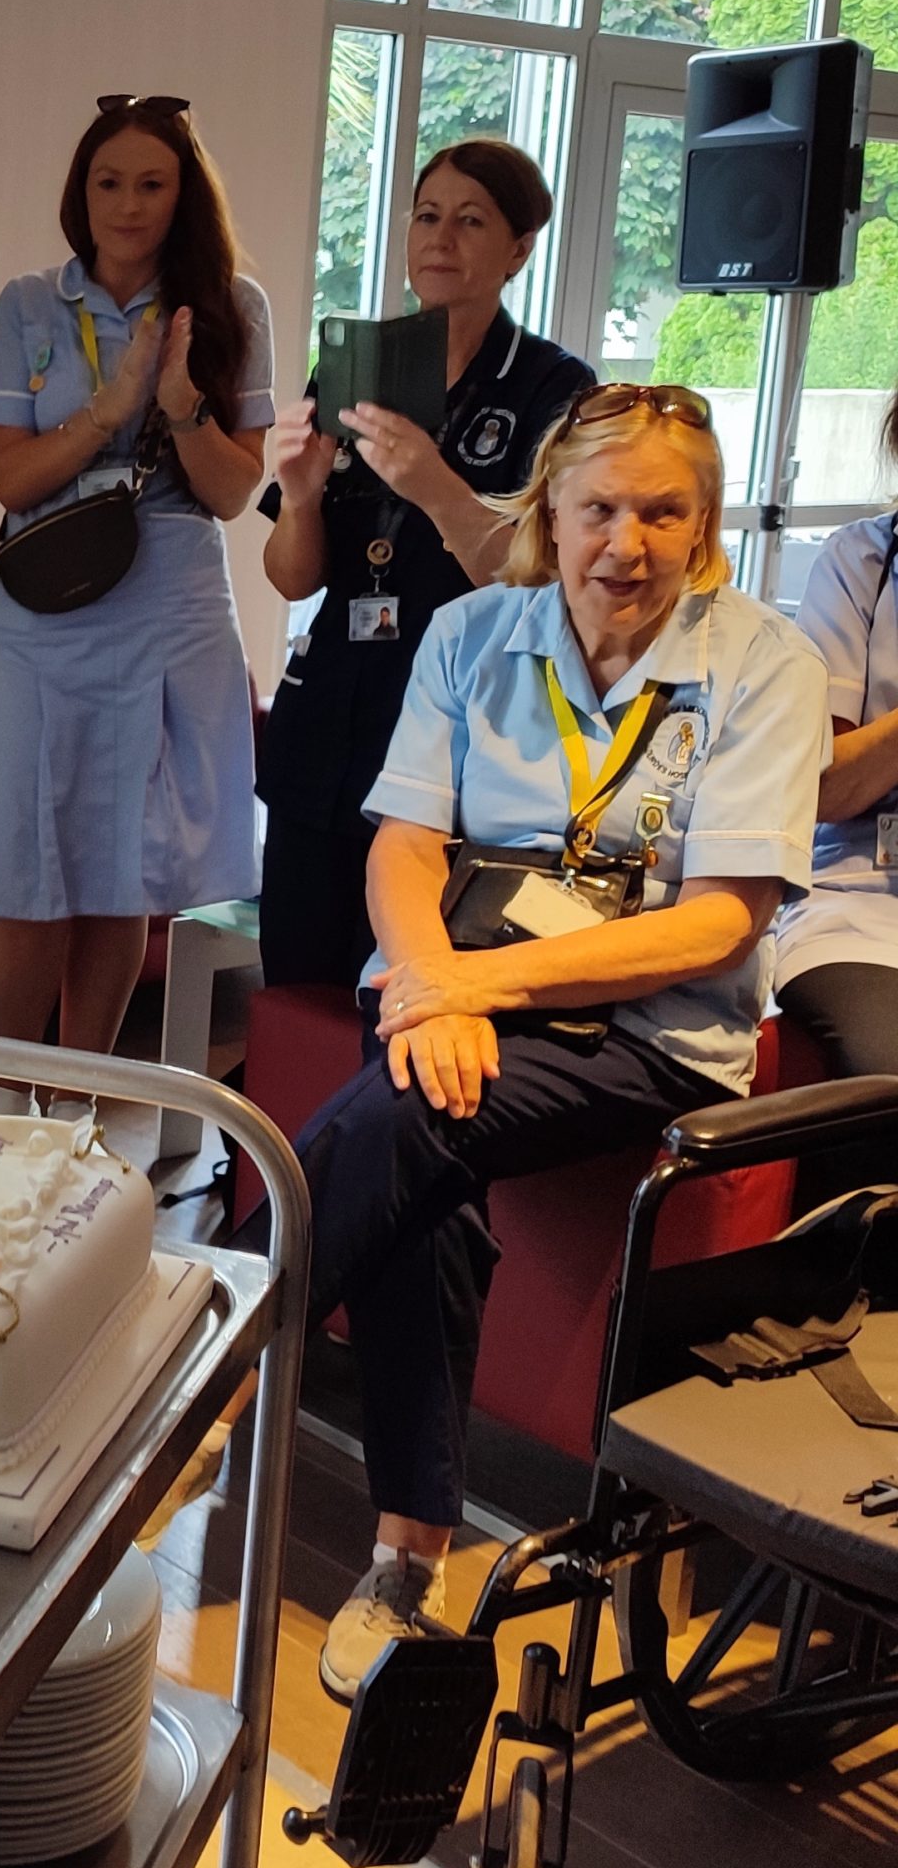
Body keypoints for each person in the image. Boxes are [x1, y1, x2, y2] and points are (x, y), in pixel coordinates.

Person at [292, 385, 828, 1699]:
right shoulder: (475, 631)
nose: (625, 543)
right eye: (598, 508)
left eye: (664, 511)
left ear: (703, 527)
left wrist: (486, 986)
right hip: (446, 986)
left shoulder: (763, 663)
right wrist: (432, 975)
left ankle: (206, 1346)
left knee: (408, 1116)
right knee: (426, 1170)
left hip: (645, 1032)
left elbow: (718, 920)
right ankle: (402, 1564)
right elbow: (407, 844)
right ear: (550, 513)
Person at [0, 95, 274, 1103]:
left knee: (121, 856)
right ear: (80, 191)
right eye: (109, 181)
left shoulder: (233, 306)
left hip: (171, 606)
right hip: (40, 612)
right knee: (23, 855)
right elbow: (12, 481)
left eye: (152, 182)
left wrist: (180, 401)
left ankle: (78, 1092)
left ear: (183, 195)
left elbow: (234, 493)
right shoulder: (29, 302)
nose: (128, 203)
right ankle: (12, 1088)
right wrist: (110, 403)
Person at [259, 140, 595, 990]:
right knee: (296, 989)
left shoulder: (554, 388)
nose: (440, 239)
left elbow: (539, 585)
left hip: (458, 730)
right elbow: (294, 578)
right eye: (427, 215)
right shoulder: (353, 363)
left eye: (471, 220)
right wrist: (298, 496)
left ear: (519, 250)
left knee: (402, 990)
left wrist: (437, 488)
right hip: (331, 719)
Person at [772, 384, 898, 1202]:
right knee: (887, 1059)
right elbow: (824, 789)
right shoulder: (863, 560)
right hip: (861, 891)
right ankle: (848, 1283)